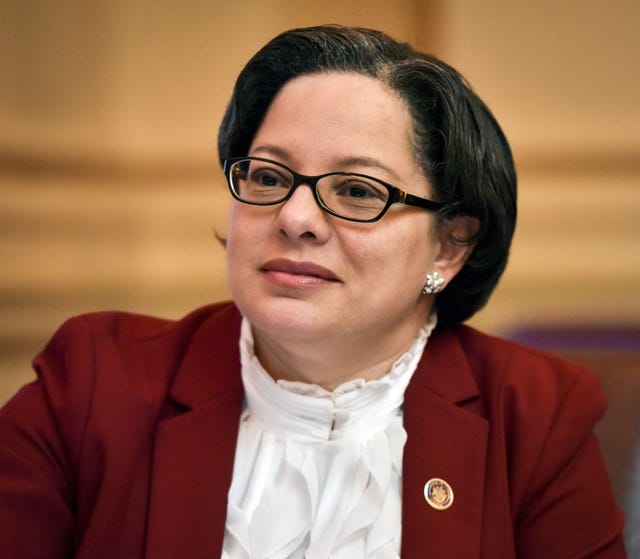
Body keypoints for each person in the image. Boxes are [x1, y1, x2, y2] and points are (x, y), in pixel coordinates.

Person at [0, 25, 626, 558]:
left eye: (357, 191)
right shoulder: (92, 383)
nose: (295, 217)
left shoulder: (537, 417)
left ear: (448, 246)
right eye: (270, 175)